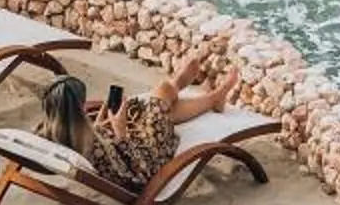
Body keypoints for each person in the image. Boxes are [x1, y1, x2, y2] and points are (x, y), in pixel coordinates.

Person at [38, 60, 242, 194]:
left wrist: (99, 126)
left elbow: (99, 152)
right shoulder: (95, 149)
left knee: (151, 107)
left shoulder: (51, 134)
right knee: (160, 98)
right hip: (148, 157)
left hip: (125, 149)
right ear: (78, 107)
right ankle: (199, 92)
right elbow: (138, 175)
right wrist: (120, 132)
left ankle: (197, 91)